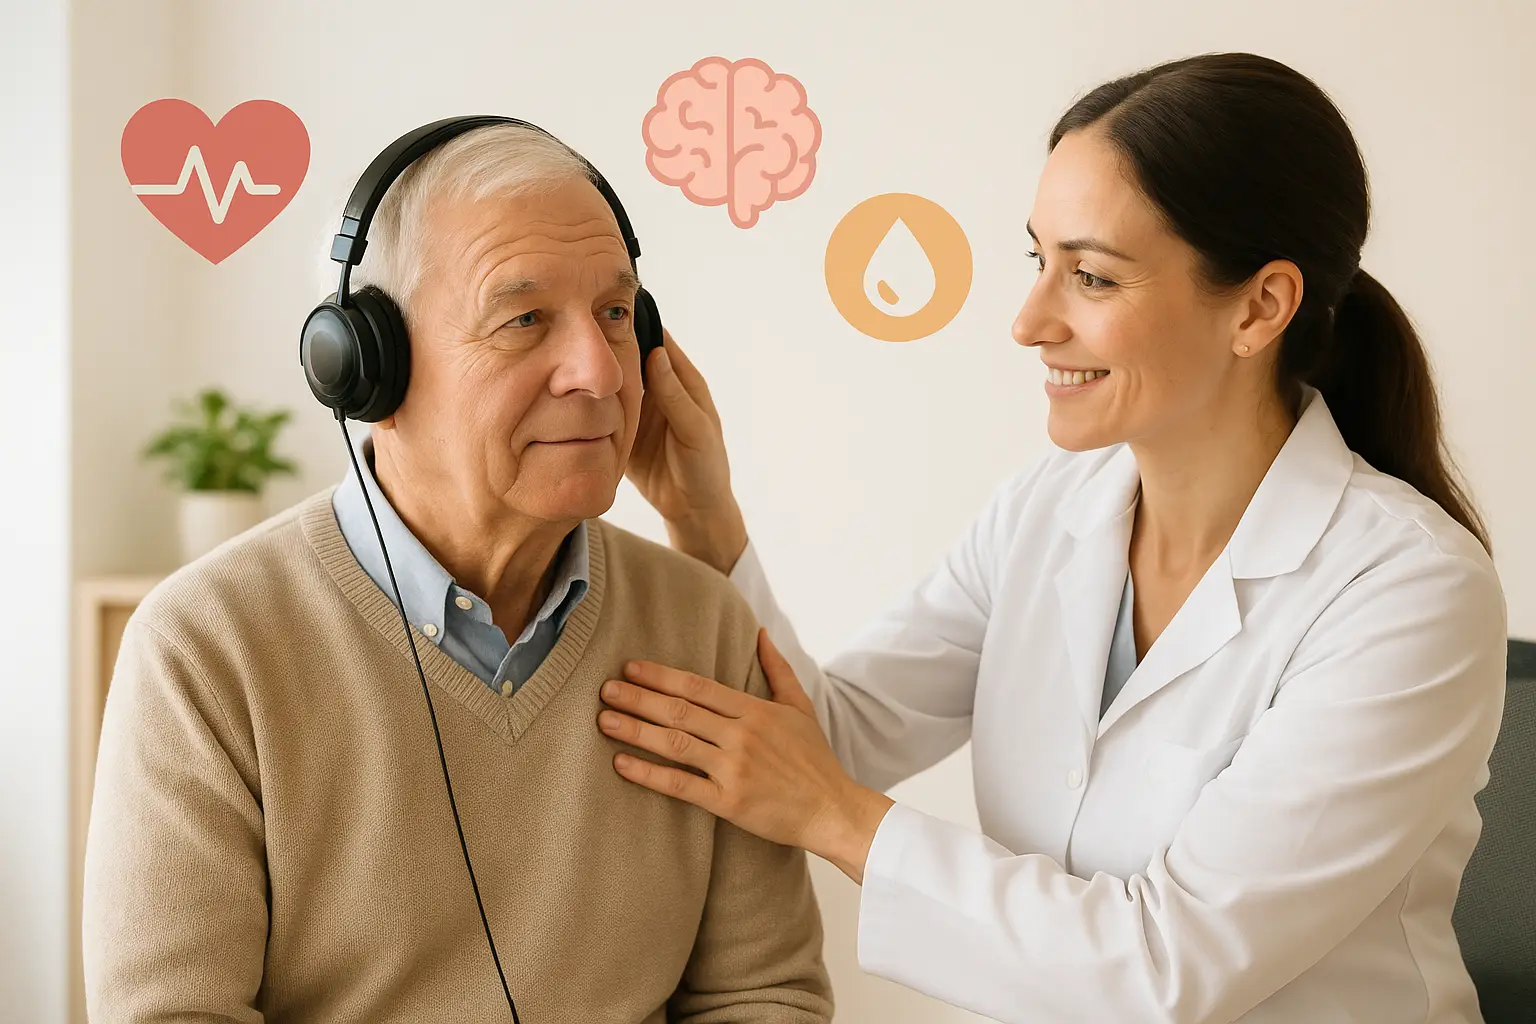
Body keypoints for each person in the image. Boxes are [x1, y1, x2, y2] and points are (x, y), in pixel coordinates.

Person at [598, 52, 1509, 1024]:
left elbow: (1167, 965)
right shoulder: (1051, 510)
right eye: (1040, 261)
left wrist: (834, 814)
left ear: (1259, 306)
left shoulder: (1411, 592)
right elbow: (832, 736)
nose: (1030, 321)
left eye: (1093, 277)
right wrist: (702, 513)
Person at [83, 122, 832, 1023]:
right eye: (523, 320)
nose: (598, 371)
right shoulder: (207, 646)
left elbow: (765, 995)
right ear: (369, 371)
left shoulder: (704, 625)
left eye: (615, 314)